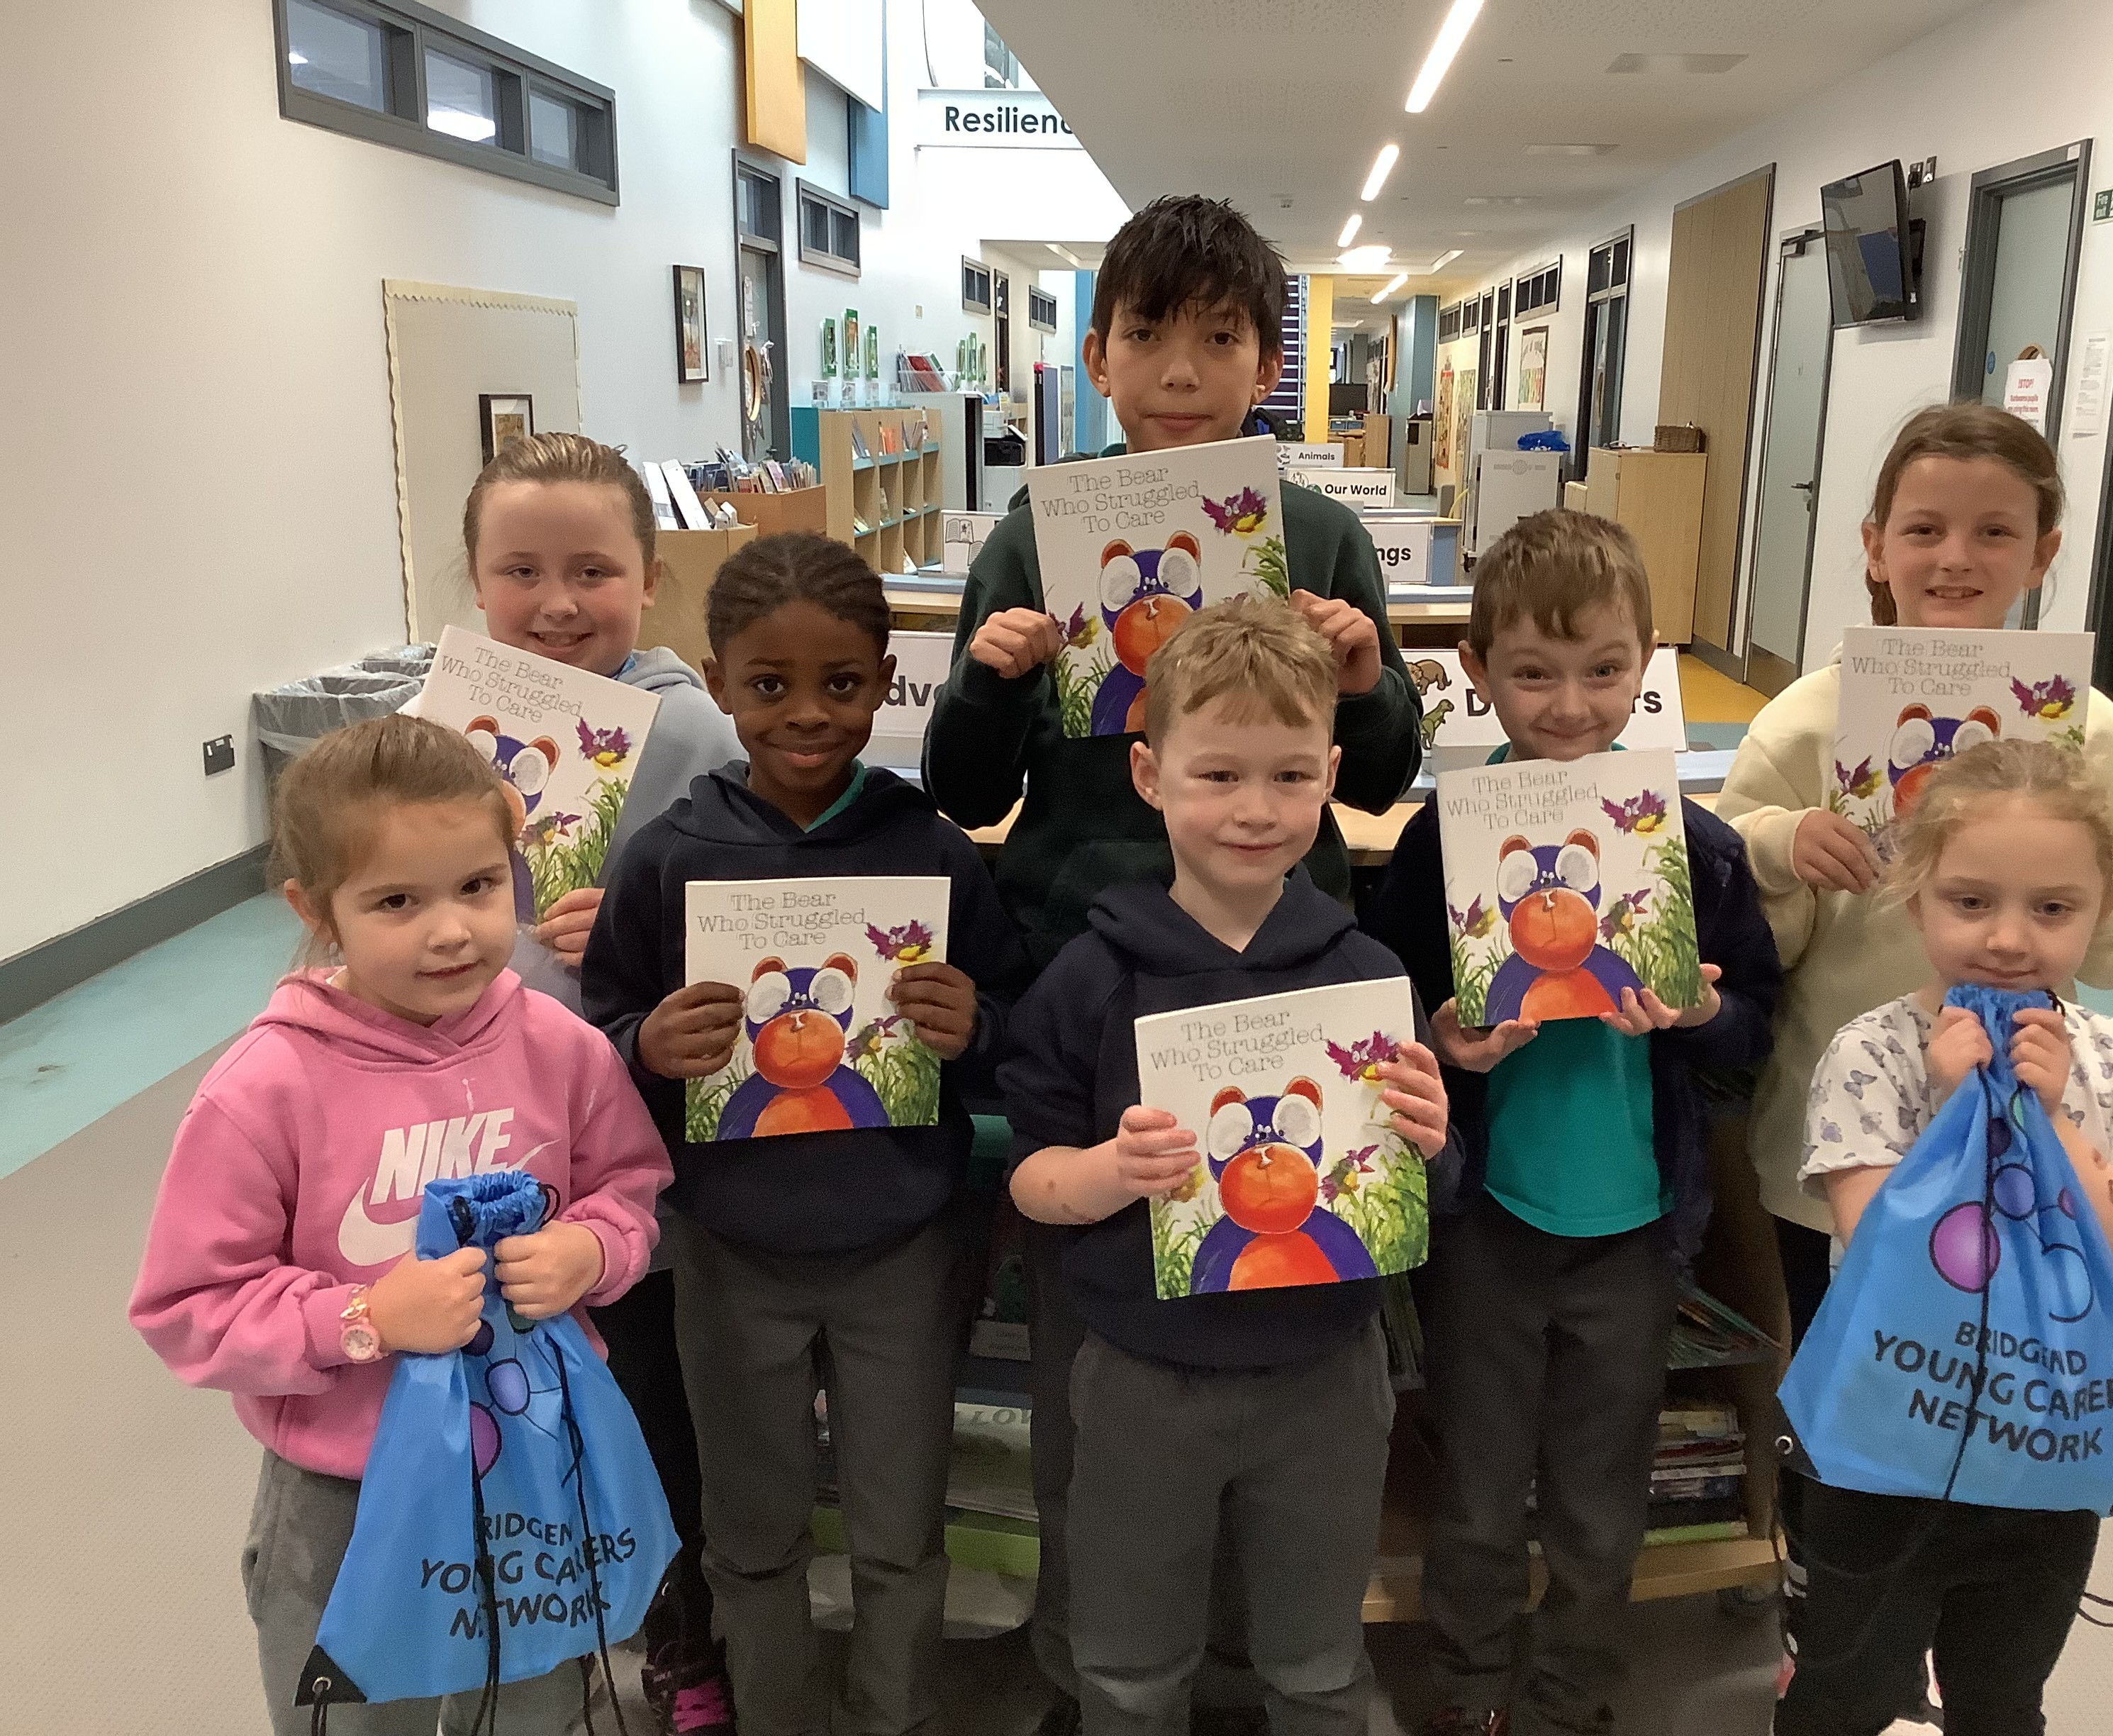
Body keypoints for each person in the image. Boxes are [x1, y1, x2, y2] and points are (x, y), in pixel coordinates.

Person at [923, 192, 1426, 1729]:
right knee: (1109, 1344)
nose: (1185, 370)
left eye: (1222, 339)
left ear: (1268, 362)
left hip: (1286, 972)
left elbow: (1380, 771)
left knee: (1282, 1306)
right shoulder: (1037, 527)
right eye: (1150, 335)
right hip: (1100, 964)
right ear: (1098, 353)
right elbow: (968, 790)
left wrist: (1366, 675)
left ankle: (1260, 1644)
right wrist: (1000, 680)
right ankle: (1099, 1660)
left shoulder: (1318, 533)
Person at [1713, 402, 2113, 1678]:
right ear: (1873, 545)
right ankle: (1830, 1624)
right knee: (1842, 1391)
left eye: (1994, 531)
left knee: (1996, 1389)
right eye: (1923, 529)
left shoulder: (2085, 728)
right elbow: (1742, 929)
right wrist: (1779, 849)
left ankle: (1983, 1617)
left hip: (2033, 1157)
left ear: (2045, 552)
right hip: (1845, 1140)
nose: (1954, 557)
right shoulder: (1809, 719)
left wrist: (2065, 877)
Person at [128, 713, 670, 1736]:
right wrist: (365, 1316)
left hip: (533, 1464)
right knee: (359, 1717)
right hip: (347, 1492)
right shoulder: (266, 1089)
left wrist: (591, 1250)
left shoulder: (561, 1047)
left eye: (477, 885)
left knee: (534, 1703)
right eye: (395, 902)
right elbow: (189, 1307)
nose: (452, 929)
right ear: (315, 909)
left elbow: (630, 1190)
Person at [582, 533, 1030, 1736]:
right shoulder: (667, 856)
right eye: (768, 685)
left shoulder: (930, 850)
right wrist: (646, 1047)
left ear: (887, 680)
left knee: (898, 1531)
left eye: (841, 685)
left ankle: (899, 1716)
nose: (806, 716)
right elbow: (604, 1035)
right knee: (753, 1531)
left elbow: (1023, 1033)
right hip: (732, 1254)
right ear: (719, 682)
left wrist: (972, 1024)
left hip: (904, 1251)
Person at [1000, 596, 1454, 1736]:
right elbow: (1030, 1180)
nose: (1255, 810)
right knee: (1128, 1667)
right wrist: (1109, 1172)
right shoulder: (1090, 980)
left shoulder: (1365, 976)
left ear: (1333, 775)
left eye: (1291, 777)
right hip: (1144, 1376)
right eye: (1218, 777)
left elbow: (1421, 1201)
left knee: (1315, 1663)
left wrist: (1432, 1144)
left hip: (1327, 1376)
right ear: (1151, 777)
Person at [1364, 511, 1781, 1736]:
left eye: (1604, 669)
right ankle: (1469, 1688)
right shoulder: (1447, 838)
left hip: (1638, 1230)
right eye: (1533, 674)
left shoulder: (1693, 853)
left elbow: (1753, 1027)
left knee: (1604, 1495)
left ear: (1648, 664)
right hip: (1490, 1221)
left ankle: (1570, 1697)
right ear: (1477, 675)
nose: (1569, 703)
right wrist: (1444, 1043)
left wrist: (1700, 1016)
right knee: (1482, 1484)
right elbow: (1379, 1017)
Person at [1776, 737, 2113, 1736]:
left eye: (2053, 909)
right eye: (1970, 902)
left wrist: (2052, 1123)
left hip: (2044, 1448)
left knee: (2002, 1698)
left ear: (2097, 914)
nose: (2009, 939)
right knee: (1848, 1694)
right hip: (1882, 1450)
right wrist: (1958, 1107)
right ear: (1916, 905)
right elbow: (1883, 1258)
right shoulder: (1872, 1054)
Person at [463, 430, 744, 1732]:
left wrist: (641, 935)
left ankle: (684, 1631)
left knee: (645, 1394)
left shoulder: (690, 728)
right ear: (475, 583)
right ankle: (544, 1619)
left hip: (638, 1135)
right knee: (510, 1390)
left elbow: (764, 922)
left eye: (593, 569)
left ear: (649, 576)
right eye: (520, 570)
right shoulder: (450, 724)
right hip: (489, 1125)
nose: (558, 602)